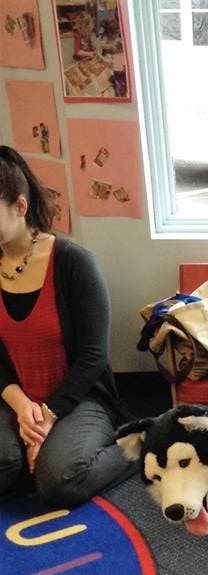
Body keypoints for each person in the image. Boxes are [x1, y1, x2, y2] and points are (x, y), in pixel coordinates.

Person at [0, 145, 136, 505]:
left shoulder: (73, 262)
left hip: (80, 396)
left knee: (58, 481)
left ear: (21, 207)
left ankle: (140, 443)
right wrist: (22, 409)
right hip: (16, 396)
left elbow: (93, 357)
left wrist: (45, 418)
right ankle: (27, 460)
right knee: (4, 463)